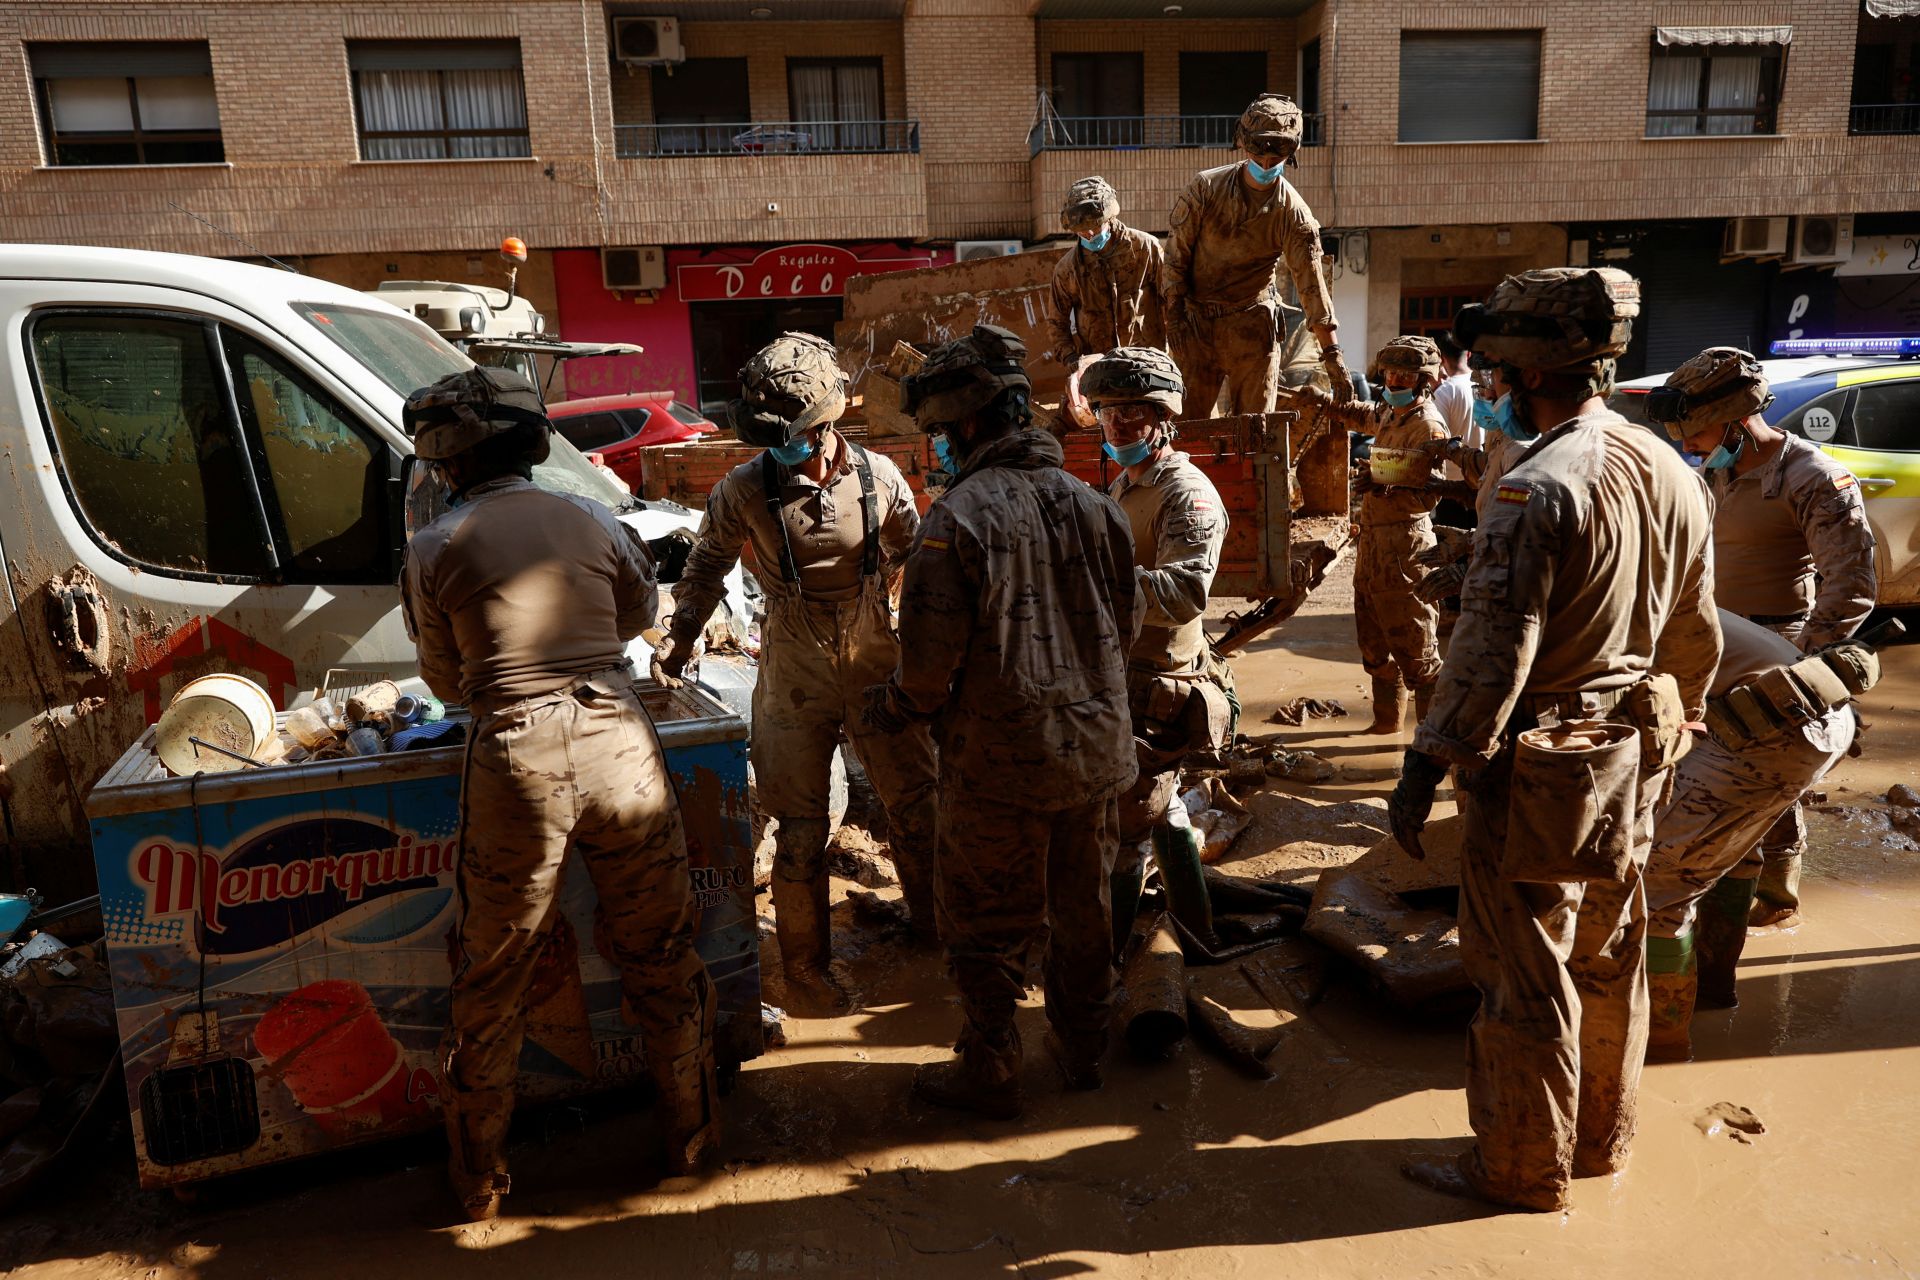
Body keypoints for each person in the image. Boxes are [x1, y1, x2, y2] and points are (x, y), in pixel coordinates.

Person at [1388, 268, 1722, 1214]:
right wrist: (1674, 727)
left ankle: (1518, 1169)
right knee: (1611, 951)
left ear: (1525, 374)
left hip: (1540, 761)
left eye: (1492, 370)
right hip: (1638, 747)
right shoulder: (1672, 470)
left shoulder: (1535, 489)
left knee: (1522, 965)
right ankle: (1599, 1143)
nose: (1484, 385)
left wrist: (1423, 767)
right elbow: (1695, 631)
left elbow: (1490, 661)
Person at [399, 368, 717, 1221]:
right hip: (619, 738)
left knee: (496, 970)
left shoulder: (434, 545)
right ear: (534, 443)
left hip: (514, 758)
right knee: (658, 946)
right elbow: (635, 614)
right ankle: (688, 1140)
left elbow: (443, 677)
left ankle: (478, 1181)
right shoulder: (591, 517)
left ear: (444, 461)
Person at [863, 324, 1138, 1117]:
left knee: (983, 922)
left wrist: (890, 710)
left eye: (942, 433)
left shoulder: (955, 521)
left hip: (999, 767)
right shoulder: (1098, 506)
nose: (939, 448)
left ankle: (991, 1068)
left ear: (970, 425)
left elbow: (924, 672)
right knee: (1083, 910)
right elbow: (1124, 629)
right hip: (1095, 755)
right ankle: (1084, 1053)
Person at [654, 333, 938, 1011]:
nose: (779, 451)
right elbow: (704, 570)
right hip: (792, 666)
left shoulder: (879, 477)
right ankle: (806, 965)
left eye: (791, 438)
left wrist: (930, 649)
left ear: (825, 425)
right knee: (801, 827)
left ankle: (937, 933)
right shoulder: (742, 489)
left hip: (874, 656)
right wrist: (679, 642)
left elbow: (923, 561)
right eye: (769, 440)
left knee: (919, 808)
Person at [1648, 347, 1877, 929]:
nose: (1689, 446)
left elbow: (1849, 585)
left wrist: (1808, 672)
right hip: (1713, 648)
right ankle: (1722, 912)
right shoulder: (1714, 472)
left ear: (1735, 418)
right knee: (1717, 792)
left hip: (1782, 650)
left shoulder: (1813, 477)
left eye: (1696, 432)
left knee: (1773, 793)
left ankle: (1772, 906)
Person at [1642, 610, 1874, 1060]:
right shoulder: (1648, 588)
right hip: (1820, 715)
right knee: (1728, 850)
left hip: (1772, 726)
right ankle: (1714, 988)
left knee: (1659, 885)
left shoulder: (1569, 617)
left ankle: (1661, 1045)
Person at [1080, 346, 1233, 950]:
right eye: (1107, 413)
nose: (1117, 426)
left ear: (1163, 420)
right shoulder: (1128, 482)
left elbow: (1187, 591)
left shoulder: (1186, 493)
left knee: (1125, 833)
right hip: (1125, 678)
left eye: (1133, 415)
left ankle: (1108, 965)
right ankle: (1198, 934)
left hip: (1158, 687)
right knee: (1163, 812)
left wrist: (1094, 580)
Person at [1276, 337, 1452, 733]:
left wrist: (1388, 484)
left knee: (1418, 650)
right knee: (1373, 645)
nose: (1393, 381)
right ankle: (1386, 725)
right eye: (1389, 374)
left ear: (1423, 381)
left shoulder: (1427, 424)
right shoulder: (1392, 413)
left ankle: (1429, 742)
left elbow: (1432, 491)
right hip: (1373, 543)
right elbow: (1363, 414)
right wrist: (1323, 401)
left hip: (1405, 545)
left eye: (1403, 376)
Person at [1162, 94, 1354, 417]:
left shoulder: (1293, 214)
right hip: (1196, 324)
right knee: (1186, 431)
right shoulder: (1206, 189)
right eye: (1258, 154)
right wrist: (1174, 317)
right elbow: (1175, 257)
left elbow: (1311, 286)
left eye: (1274, 158)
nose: (1265, 164)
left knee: (1254, 435)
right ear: (1243, 145)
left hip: (1251, 327)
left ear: (1289, 154)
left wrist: (1333, 354)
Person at [1046, 176, 1167, 365]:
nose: (1090, 234)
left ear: (1110, 218)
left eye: (1094, 226)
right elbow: (1056, 322)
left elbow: (1172, 298)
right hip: (1099, 369)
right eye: (1082, 230)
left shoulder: (1145, 248)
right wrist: (1070, 358)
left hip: (1148, 362)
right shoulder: (1067, 269)